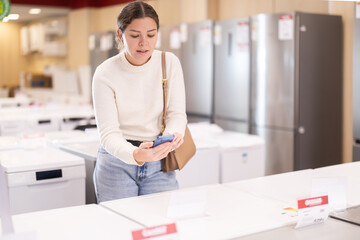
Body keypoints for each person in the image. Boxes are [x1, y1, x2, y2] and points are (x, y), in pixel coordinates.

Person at [92, 1, 187, 202]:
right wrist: (135, 154)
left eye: (151, 35)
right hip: (116, 163)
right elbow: (108, 133)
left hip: (159, 162)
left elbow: (176, 114)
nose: (144, 43)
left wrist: (170, 138)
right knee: (119, 230)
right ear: (120, 35)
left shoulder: (169, 63)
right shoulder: (105, 73)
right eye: (135, 36)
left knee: (160, 226)